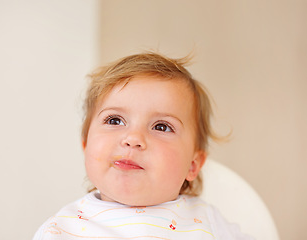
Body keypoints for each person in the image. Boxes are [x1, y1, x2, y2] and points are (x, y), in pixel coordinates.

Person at [33, 52, 254, 240]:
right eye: (114, 120)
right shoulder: (61, 230)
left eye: (161, 127)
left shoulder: (209, 223)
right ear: (86, 146)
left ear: (193, 165)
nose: (133, 138)